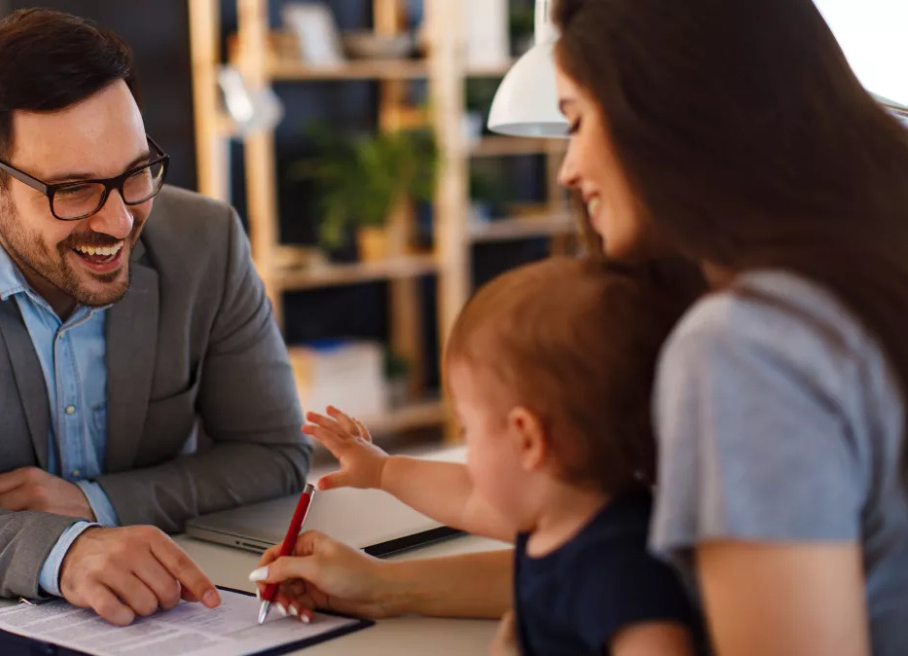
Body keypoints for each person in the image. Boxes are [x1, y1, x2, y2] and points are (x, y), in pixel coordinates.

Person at [254, 0, 908, 654]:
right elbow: (613, 580)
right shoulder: (849, 286)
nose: (567, 169)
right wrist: (384, 585)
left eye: (577, 120)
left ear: (667, 111)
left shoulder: (747, 347)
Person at [0, 9, 309, 625]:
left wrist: (93, 504)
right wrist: (66, 552)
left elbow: (274, 454)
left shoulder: (206, 241)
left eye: (135, 173)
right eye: (73, 189)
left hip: (152, 615)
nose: (118, 221)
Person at [253, 258, 702, 655]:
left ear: (527, 439)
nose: (467, 451)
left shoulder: (623, 574)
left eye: (468, 429)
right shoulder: (557, 517)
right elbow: (468, 497)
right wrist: (382, 470)